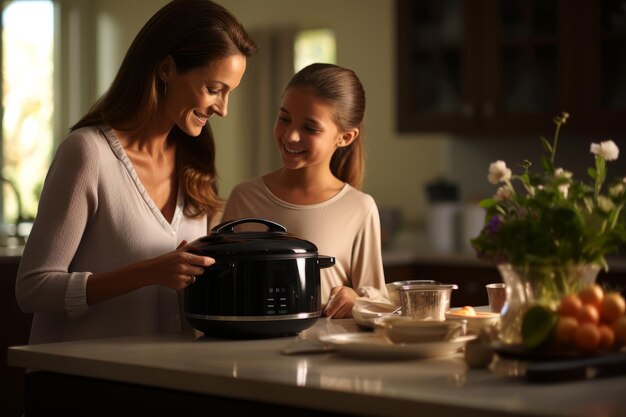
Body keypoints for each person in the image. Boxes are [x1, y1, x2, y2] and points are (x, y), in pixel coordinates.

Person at [15, 0, 256, 345]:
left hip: (172, 381)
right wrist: (150, 271)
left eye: (229, 93)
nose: (223, 109)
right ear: (166, 69)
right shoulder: (88, 153)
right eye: (213, 89)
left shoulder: (196, 164)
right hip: (86, 382)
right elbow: (32, 289)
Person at [222, 63, 389, 319]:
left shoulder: (359, 208)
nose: (291, 135)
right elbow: (223, 285)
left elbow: (377, 299)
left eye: (310, 128)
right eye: (285, 118)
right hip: (252, 354)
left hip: (325, 354)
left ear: (345, 137)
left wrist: (355, 298)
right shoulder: (244, 197)